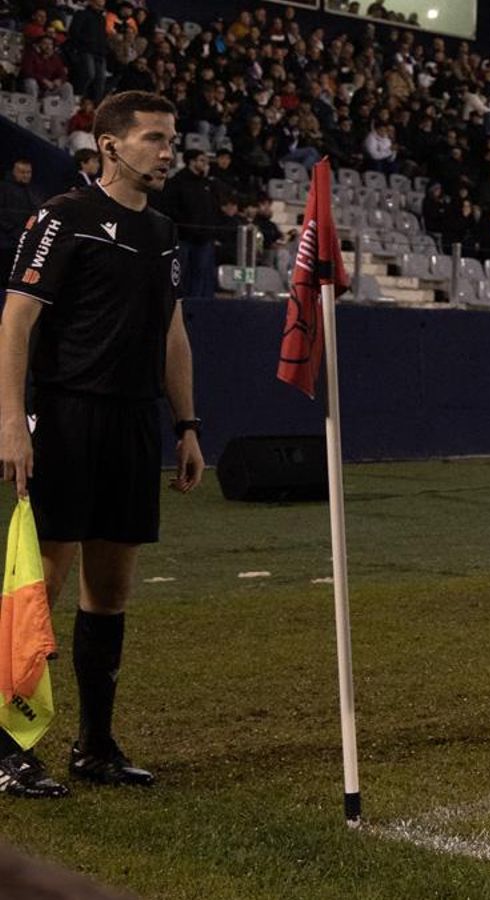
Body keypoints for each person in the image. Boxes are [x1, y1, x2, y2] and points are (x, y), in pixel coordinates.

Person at [0, 90, 205, 799]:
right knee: (44, 585)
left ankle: (95, 745)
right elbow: (16, 321)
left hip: (133, 423)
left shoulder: (165, 232)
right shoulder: (64, 218)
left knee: (110, 591)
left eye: (170, 139)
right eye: (153, 138)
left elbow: (172, 333)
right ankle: (7, 746)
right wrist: (10, 423)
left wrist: (186, 424)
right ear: (110, 145)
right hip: (66, 418)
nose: (166, 151)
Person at [159, 149, 221, 300]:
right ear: (191, 161)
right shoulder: (177, 182)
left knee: (200, 277)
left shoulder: (207, 184)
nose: (205, 165)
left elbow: (213, 208)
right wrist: (186, 226)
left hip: (204, 239)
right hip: (184, 238)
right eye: (202, 161)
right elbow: (170, 209)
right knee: (180, 275)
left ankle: (198, 310)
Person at [0, 160, 48, 266]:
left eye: (28, 172)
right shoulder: (3, 189)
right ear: (13, 172)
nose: (26, 175)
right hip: (7, 244)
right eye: (22, 172)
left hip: (30, 243)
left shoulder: (36, 191)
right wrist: (15, 232)